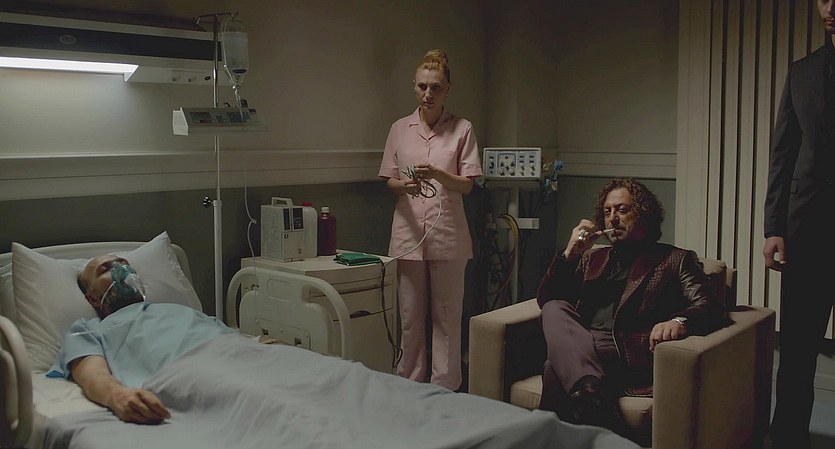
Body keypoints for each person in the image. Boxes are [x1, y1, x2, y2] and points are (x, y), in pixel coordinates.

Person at [535, 178, 727, 439]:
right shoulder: (591, 257)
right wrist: (570, 254)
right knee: (554, 307)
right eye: (607, 212)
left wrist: (679, 321)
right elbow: (547, 299)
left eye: (622, 210)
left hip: (626, 349)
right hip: (581, 341)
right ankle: (593, 400)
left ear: (644, 215)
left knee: (553, 368)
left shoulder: (675, 259)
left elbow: (710, 305)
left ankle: (581, 405)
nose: (613, 218)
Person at [378, 49, 482, 390]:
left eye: (435, 87)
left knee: (447, 318)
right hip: (408, 233)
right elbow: (389, 179)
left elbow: (467, 185)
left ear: (447, 88)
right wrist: (404, 186)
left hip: (448, 235)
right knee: (410, 316)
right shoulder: (399, 129)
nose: (428, 94)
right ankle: (408, 382)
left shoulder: (462, 129)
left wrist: (438, 173)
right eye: (422, 86)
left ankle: (445, 386)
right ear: (414, 86)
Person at [763, 2, 835, 447]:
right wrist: (774, 227)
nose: (831, 7)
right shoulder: (803, 71)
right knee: (797, 349)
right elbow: (783, 154)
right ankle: (789, 437)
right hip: (807, 230)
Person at [47, 254, 236, 424]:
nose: (122, 269)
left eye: (124, 264)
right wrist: (118, 395)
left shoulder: (188, 312)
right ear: (93, 299)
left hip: (237, 361)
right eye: (105, 270)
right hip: (194, 378)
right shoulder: (88, 330)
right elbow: (92, 374)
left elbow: (238, 343)